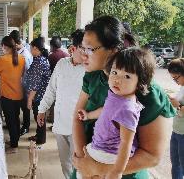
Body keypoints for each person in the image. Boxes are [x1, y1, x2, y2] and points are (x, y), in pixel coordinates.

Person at [71, 16, 176, 179]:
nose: (83, 55)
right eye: (82, 48)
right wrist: (82, 162)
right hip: (87, 166)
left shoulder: (147, 90)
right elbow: (78, 118)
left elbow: (152, 156)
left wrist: (98, 170)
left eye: (90, 49)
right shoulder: (93, 77)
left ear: (113, 50)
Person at [77, 48, 155, 179]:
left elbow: (126, 143)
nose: (117, 79)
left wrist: (117, 171)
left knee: (83, 172)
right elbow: (106, 110)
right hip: (101, 146)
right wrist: (88, 115)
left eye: (127, 76)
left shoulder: (127, 110)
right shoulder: (116, 94)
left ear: (140, 83)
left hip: (109, 154)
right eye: (114, 72)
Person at [36, 29, 85, 179]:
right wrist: (42, 109)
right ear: (73, 49)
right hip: (60, 123)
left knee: (79, 165)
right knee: (65, 163)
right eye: (84, 49)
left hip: (79, 126)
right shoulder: (61, 64)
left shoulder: (90, 69)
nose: (87, 54)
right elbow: (51, 89)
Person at [0, 36, 25, 154]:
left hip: (7, 96)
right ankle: (15, 141)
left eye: (2, 47)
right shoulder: (21, 58)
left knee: (10, 121)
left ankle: (14, 146)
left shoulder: (2, 60)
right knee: (16, 119)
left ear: (4, 46)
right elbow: (21, 73)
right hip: (19, 94)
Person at [23, 37, 51, 145]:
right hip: (42, 95)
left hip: (39, 96)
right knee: (38, 116)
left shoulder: (39, 62)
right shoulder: (41, 59)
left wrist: (30, 99)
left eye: (30, 48)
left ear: (35, 48)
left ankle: (41, 139)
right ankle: (39, 135)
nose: (30, 50)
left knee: (38, 116)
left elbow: (35, 84)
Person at [9, 30, 33, 136]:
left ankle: (26, 126)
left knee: (25, 107)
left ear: (15, 42)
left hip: (24, 85)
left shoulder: (25, 55)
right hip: (17, 84)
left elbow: (27, 72)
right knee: (18, 105)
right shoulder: (18, 52)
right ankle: (18, 124)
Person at [167, 58, 184, 179]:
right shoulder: (183, 86)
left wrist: (177, 105)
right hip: (176, 131)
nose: (175, 81)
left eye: (176, 78)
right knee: (176, 164)